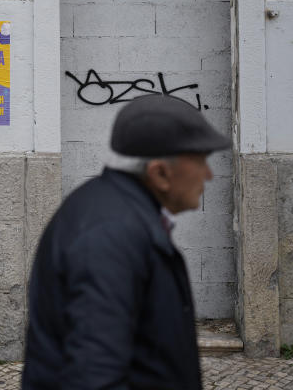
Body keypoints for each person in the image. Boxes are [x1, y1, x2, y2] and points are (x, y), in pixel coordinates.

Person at [22, 94, 230, 390]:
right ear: (160, 173)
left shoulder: (116, 214)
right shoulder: (109, 237)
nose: (209, 175)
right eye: (200, 160)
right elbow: (95, 378)